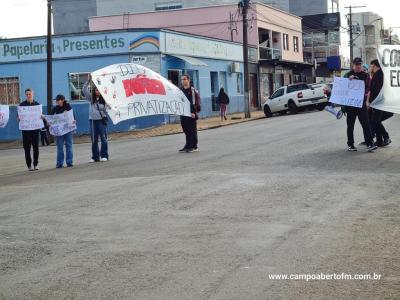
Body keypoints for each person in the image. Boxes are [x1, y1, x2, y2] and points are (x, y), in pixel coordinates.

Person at [343, 57, 377, 152]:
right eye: (356, 64)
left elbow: (368, 88)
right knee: (350, 125)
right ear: (353, 65)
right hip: (350, 104)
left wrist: (367, 101)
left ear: (361, 65)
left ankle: (370, 143)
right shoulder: (348, 74)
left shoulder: (365, 75)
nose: (358, 66)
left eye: (360, 64)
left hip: (361, 104)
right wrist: (348, 80)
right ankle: (350, 144)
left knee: (365, 124)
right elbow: (342, 87)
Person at [83, 77, 109, 162]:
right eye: (95, 90)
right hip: (93, 121)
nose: (97, 92)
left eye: (98, 90)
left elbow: (106, 110)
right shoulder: (91, 98)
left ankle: (104, 155)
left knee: (103, 139)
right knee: (94, 140)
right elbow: (84, 90)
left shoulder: (104, 100)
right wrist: (88, 80)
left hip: (101, 120)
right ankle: (95, 157)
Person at [367, 59, 392, 147]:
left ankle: (386, 137)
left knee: (375, 121)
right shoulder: (376, 75)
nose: (370, 68)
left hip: (380, 102)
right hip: (376, 103)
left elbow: (377, 90)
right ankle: (379, 141)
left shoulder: (380, 75)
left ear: (374, 66)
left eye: (371, 66)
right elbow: (372, 89)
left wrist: (371, 102)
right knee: (375, 121)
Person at [18, 88, 41, 171]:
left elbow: (40, 116)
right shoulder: (21, 105)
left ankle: (36, 164)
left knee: (36, 148)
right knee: (27, 149)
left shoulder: (37, 105)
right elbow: (18, 116)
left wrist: (41, 117)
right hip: (25, 131)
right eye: (27, 94)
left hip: (35, 130)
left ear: (33, 94)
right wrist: (18, 118)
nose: (28, 95)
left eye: (29, 94)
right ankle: (29, 166)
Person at [51, 94, 75, 168]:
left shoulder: (68, 106)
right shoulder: (55, 108)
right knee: (60, 147)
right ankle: (59, 163)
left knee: (69, 145)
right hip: (59, 131)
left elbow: (72, 116)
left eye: (58, 100)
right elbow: (51, 117)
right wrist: (48, 123)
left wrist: (74, 122)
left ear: (62, 100)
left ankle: (69, 162)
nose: (57, 102)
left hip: (68, 129)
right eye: (56, 100)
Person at [179, 74, 201, 153]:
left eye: (184, 79)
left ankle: (194, 146)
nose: (183, 81)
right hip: (183, 113)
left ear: (188, 80)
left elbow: (194, 102)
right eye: (182, 79)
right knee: (186, 130)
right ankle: (188, 145)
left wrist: (193, 112)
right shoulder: (180, 90)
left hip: (191, 113)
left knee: (192, 130)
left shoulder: (192, 90)